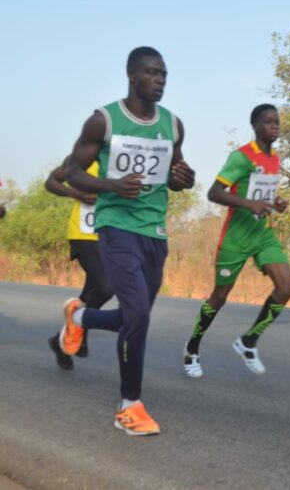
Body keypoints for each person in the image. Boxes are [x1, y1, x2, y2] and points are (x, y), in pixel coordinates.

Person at [56, 46, 195, 436]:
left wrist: (183, 179)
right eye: (152, 73)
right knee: (137, 316)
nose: (160, 80)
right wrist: (110, 186)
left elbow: (175, 172)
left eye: (164, 75)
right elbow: (72, 172)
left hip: (154, 230)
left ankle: (78, 315)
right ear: (132, 75)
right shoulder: (104, 121)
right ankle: (129, 405)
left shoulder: (173, 124)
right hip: (116, 226)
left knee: (137, 317)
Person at [182, 104, 290, 379]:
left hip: (263, 234)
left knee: (287, 287)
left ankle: (248, 342)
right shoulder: (241, 157)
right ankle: (192, 347)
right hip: (236, 237)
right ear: (254, 126)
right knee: (219, 296)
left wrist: (275, 203)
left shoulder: (274, 158)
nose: (274, 126)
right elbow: (214, 193)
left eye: (277, 121)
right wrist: (247, 203)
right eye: (268, 122)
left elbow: (263, 194)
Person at [45, 157, 114, 370]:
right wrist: (76, 194)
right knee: (106, 287)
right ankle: (80, 324)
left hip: (112, 236)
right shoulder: (85, 156)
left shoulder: (127, 156)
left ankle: (61, 341)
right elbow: (51, 182)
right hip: (84, 234)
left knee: (91, 292)